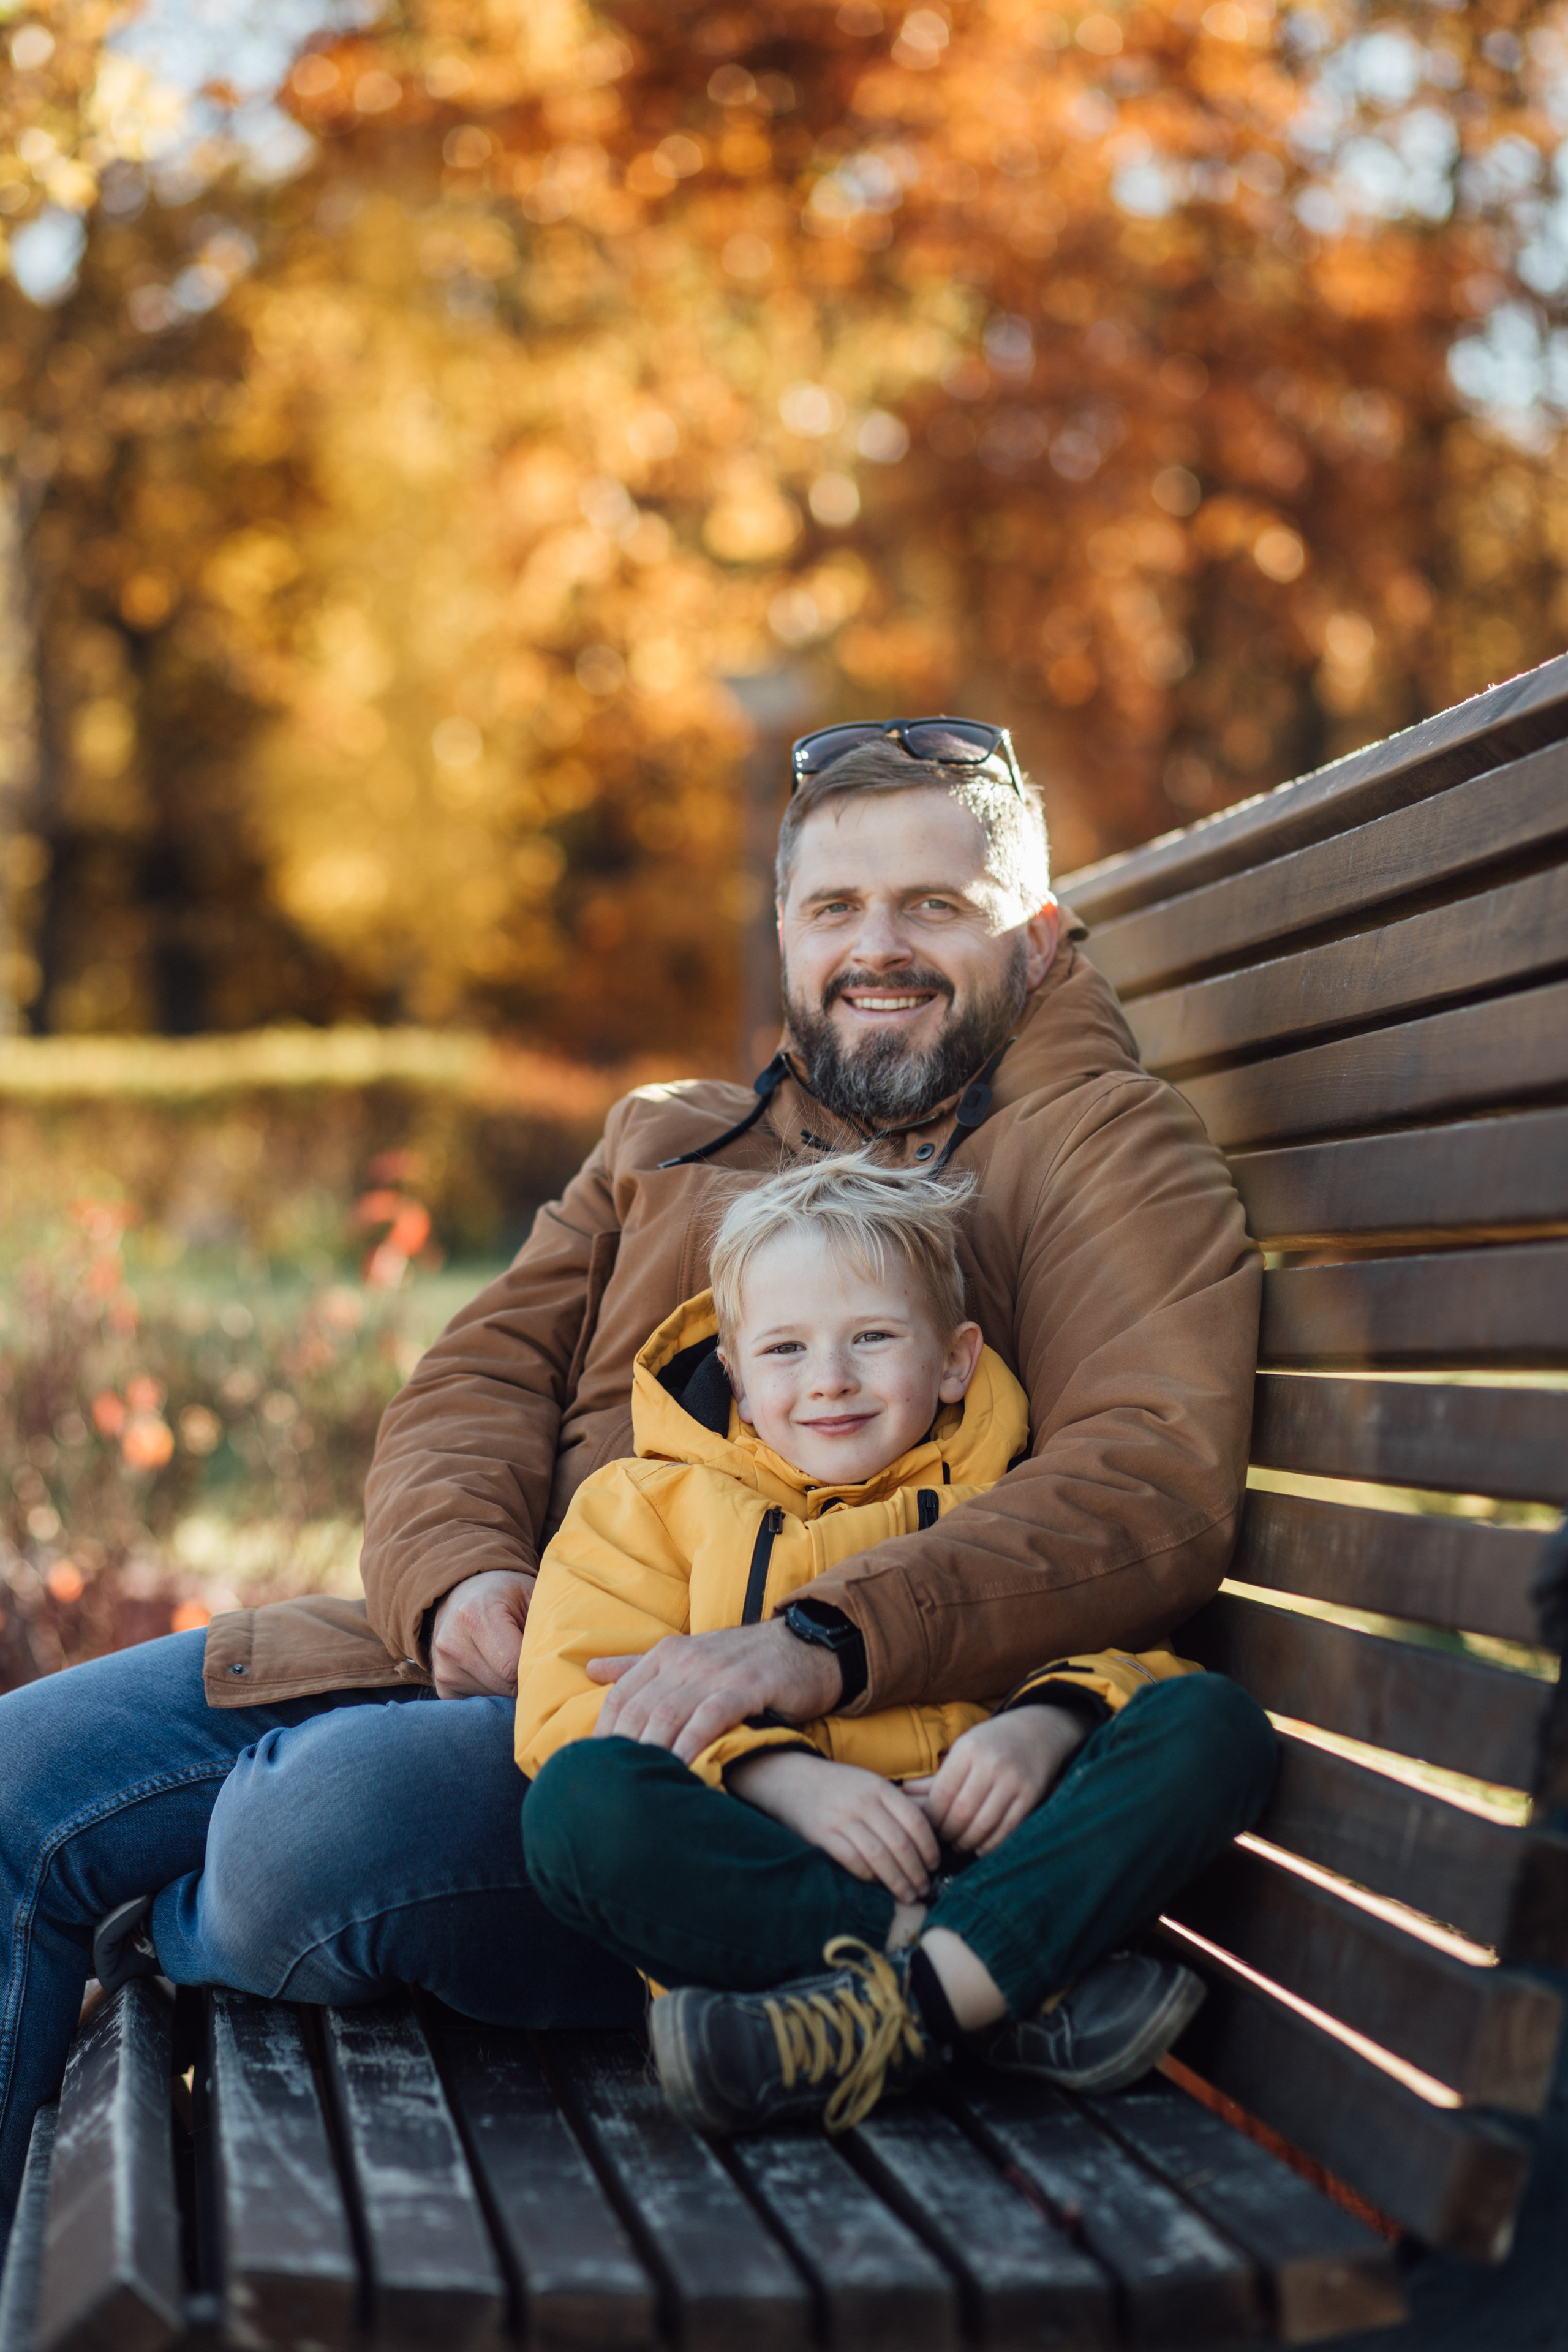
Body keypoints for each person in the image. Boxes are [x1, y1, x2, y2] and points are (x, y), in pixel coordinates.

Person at [0, 718, 1259, 2215]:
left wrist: (812, 1645)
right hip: (519, 1656)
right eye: (836, 908)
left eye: (934, 906)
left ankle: (172, 1932)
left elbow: (1144, 1480)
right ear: (785, 935)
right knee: (18, 1782)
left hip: (731, 1766)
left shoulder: (1095, 1152)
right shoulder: (669, 1140)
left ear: (1036, 940)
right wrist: (458, 1575)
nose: (877, 948)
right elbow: (477, 1377)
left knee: (309, 1829)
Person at [519, 1154, 1275, 2135]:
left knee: (1213, 1724)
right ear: (736, 1377)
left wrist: (1046, 1725)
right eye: (784, 1349)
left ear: (955, 1360)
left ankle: (890, 2014)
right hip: (783, 1868)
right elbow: (575, 1705)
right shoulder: (644, 1507)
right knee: (578, 1806)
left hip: (996, 1846)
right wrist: (783, 1779)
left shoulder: (1016, 1495)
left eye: (872, 1337)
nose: (830, 1380)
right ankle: (990, 1985)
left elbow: (1132, 1647)